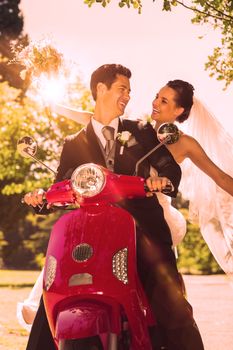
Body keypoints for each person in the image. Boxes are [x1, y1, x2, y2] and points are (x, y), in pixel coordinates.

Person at [23, 64, 204, 350]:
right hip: (93, 234)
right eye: (122, 89)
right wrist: (41, 198)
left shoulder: (142, 131)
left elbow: (168, 166)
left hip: (143, 235)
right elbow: (62, 185)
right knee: (53, 300)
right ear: (101, 89)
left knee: (173, 309)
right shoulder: (74, 143)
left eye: (129, 91)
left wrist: (165, 180)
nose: (128, 96)